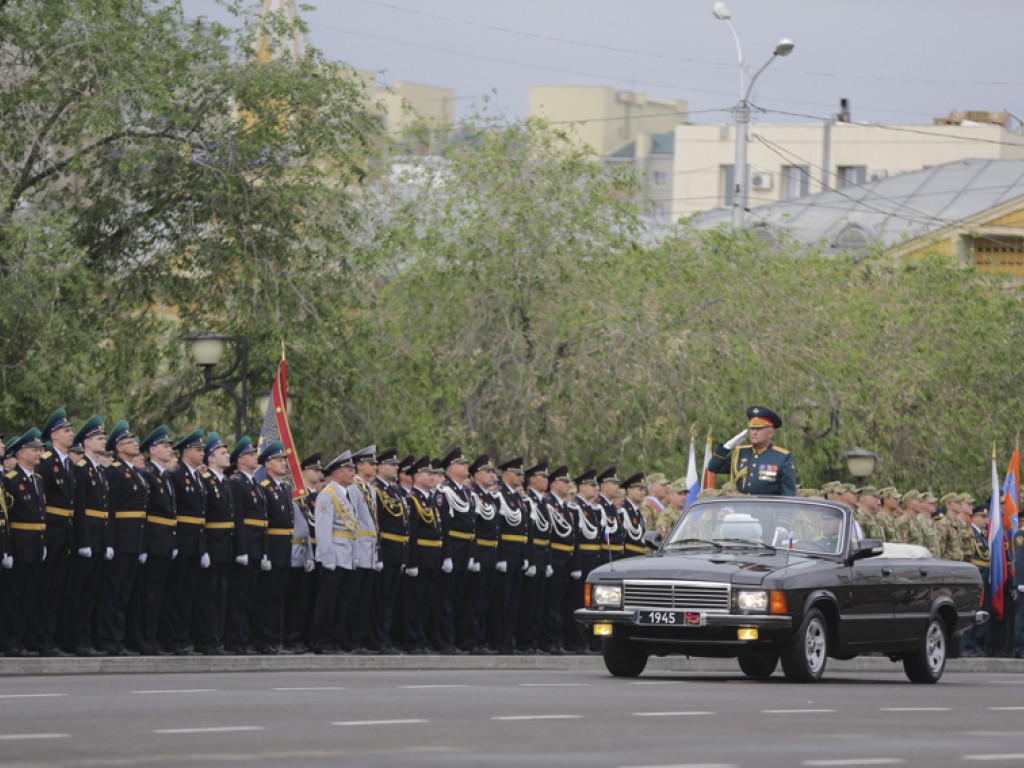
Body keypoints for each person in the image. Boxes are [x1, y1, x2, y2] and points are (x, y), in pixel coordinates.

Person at [96, 420, 149, 656]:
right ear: (119, 447)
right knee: (112, 593)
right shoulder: (115, 472)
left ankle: (118, 639)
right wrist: (109, 542)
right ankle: (108, 639)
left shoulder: (135, 473)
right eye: (129, 441)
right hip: (120, 540)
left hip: (134, 540)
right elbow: (111, 510)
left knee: (124, 594)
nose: (135, 444)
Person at [64, 416, 110, 656]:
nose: (104, 441)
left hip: (99, 537)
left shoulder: (99, 470)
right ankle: (75, 639)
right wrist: (83, 541)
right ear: (86, 442)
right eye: (99, 438)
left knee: (91, 591)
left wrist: (107, 541)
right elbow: (79, 508)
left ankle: (85, 639)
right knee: (79, 591)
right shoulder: (81, 469)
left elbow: (105, 510)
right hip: (87, 538)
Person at [1, 429, 47, 656]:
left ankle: (22, 640)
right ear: (20, 453)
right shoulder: (11, 480)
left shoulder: (37, 480)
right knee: (14, 597)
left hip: (36, 545)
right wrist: (7, 549)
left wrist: (43, 542)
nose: (39, 453)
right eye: (34, 449)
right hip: (19, 546)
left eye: (39, 449)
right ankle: (10, 642)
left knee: (29, 597)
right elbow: (6, 520)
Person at [35, 409, 76, 656]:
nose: (71, 434)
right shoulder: (46, 461)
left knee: (57, 589)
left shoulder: (68, 463)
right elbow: (41, 501)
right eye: (66, 431)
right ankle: (42, 640)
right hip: (51, 532)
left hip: (66, 533)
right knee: (46, 588)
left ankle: (51, 638)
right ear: (54, 435)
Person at [163, 430, 207, 655]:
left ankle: (184, 636)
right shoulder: (176, 474)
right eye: (198, 449)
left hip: (196, 541)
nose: (202, 453)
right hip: (181, 538)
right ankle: (174, 638)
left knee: (189, 593)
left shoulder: (198, 476)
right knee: (177, 593)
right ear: (186, 451)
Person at [135, 426, 177, 655]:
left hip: (165, 541)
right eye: (165, 445)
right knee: (148, 593)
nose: (169, 449)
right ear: (153, 450)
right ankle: (143, 638)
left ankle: (152, 637)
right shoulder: (148, 475)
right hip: (152, 541)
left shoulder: (164, 476)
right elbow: (144, 513)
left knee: (158, 594)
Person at [193, 432, 236, 655]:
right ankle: (206, 640)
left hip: (225, 546)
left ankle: (217, 638)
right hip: (212, 544)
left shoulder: (224, 482)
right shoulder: (205, 481)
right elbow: (202, 517)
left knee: (220, 595)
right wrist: (203, 549)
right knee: (208, 596)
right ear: (211, 459)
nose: (227, 456)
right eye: (222, 452)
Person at [311, 451, 357, 654]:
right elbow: (322, 529)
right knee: (328, 601)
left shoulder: (346, 494)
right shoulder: (328, 494)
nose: (353, 473)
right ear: (338, 472)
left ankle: (338, 639)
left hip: (346, 553)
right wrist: (327, 556)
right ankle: (322, 641)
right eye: (349, 469)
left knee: (342, 601)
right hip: (333, 555)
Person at [224, 436, 266, 655]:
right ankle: (235, 640)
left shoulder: (255, 484)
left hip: (257, 547)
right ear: (240, 460)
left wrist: (264, 551)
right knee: (238, 597)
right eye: (250, 454)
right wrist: (241, 550)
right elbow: (238, 519)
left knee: (249, 598)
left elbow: (262, 522)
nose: (255, 457)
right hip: (246, 547)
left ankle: (245, 638)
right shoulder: (237, 484)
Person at [251, 440, 294, 654]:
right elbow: (265, 524)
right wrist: (266, 552)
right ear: (267, 464)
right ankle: (263, 639)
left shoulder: (285, 488)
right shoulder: (264, 488)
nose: (283, 464)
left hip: (285, 548)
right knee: (266, 597)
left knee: (277, 596)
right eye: (278, 460)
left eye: (284, 460)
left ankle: (275, 639)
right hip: (273, 546)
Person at [430, 447, 472, 654]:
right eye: (462, 464)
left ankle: (453, 638)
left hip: (464, 549)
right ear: (451, 468)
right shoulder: (444, 492)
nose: (466, 467)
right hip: (452, 548)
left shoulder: (464, 492)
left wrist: (471, 554)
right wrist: (446, 555)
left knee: (460, 596)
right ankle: (442, 641)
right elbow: (444, 526)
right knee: (445, 598)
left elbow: (470, 526)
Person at [402, 455, 443, 654]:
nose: (432, 477)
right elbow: (412, 533)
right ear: (417, 477)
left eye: (433, 474)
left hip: (432, 558)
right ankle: (412, 640)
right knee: (414, 602)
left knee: (427, 602)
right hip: (420, 558)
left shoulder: (431, 499)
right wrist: (412, 562)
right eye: (428, 473)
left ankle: (421, 637)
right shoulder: (413, 500)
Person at [488, 457, 529, 654]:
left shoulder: (517, 498)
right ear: (506, 474)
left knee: (514, 602)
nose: (521, 477)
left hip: (518, 555)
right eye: (517, 473)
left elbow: (524, 530)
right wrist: (501, 557)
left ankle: (508, 639)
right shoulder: (499, 496)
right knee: (501, 601)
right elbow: (498, 529)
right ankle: (499, 640)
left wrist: (525, 556)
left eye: (522, 474)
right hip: (506, 555)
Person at [707, 406, 796, 496]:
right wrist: (726, 448)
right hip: (741, 508)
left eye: (759, 429)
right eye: (752, 428)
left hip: (767, 509)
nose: (754, 432)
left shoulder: (782, 457)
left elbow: (788, 494)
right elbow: (713, 467)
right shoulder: (740, 453)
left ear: (771, 432)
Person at [619, 473, 647, 557]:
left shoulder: (637, 512)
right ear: (629, 490)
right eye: (640, 489)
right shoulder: (623, 511)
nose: (643, 492)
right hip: (627, 558)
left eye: (643, 490)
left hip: (639, 557)